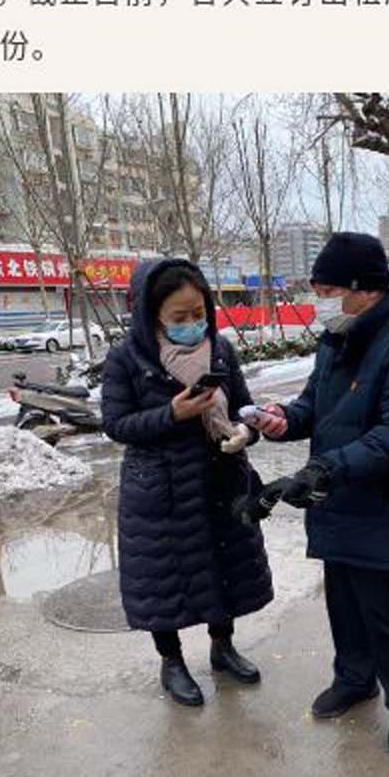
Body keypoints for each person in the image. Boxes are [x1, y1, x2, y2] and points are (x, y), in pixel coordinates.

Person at [258, 232, 389, 757]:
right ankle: (354, 680)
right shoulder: (338, 339)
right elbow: (315, 407)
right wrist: (285, 420)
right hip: (338, 504)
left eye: (327, 291)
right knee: (345, 608)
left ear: (364, 288)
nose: (319, 303)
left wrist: (327, 467)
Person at [101, 257, 273, 709]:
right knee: (164, 580)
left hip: (221, 478)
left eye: (198, 313)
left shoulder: (221, 350)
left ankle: (223, 647)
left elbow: (244, 406)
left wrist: (246, 430)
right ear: (152, 314)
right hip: (161, 490)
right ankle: (172, 662)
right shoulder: (126, 359)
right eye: (179, 317)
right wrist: (171, 414)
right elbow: (116, 425)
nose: (192, 323)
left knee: (225, 567)